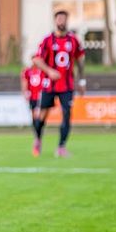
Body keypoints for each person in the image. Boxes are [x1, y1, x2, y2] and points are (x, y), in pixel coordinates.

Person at [32, 10, 86, 158]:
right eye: (59, 18)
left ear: (67, 21)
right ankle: (38, 139)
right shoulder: (47, 40)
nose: (61, 21)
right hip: (49, 85)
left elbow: (80, 61)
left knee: (67, 114)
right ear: (55, 21)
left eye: (64, 18)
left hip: (67, 85)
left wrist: (82, 81)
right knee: (42, 115)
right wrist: (49, 71)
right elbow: (36, 59)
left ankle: (61, 147)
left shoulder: (73, 40)